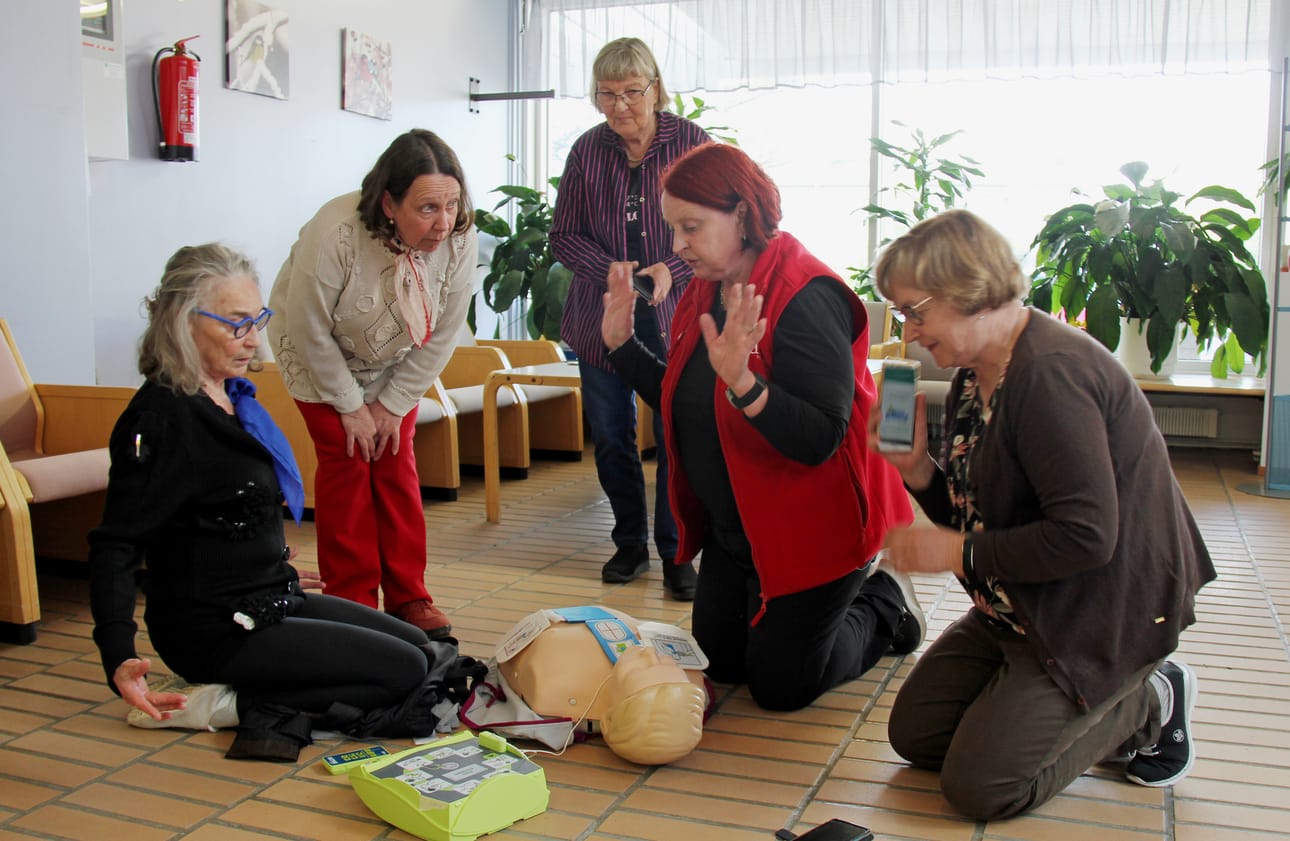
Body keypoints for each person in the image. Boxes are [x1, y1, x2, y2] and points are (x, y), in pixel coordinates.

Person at [869, 209, 1216, 820]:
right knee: (918, 736)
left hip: (1091, 611)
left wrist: (955, 552)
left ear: (970, 291)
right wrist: (919, 470)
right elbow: (979, 512)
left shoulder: (1050, 376)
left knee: (981, 790)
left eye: (915, 311)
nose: (910, 331)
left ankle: (1149, 700)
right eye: (901, 314)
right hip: (1019, 605)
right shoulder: (975, 373)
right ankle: (1040, 699)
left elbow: (1086, 537)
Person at [601, 143, 925, 712]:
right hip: (740, 530)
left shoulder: (808, 295)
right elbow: (685, 402)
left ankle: (886, 598)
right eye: (673, 228)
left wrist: (746, 385)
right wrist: (622, 347)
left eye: (691, 227)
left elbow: (820, 438)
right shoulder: (705, 288)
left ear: (743, 216)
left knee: (781, 687)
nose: (676, 246)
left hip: (816, 530)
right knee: (721, 665)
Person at [89, 243, 454, 746]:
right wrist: (118, 654)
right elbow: (115, 544)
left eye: (257, 320)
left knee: (419, 646)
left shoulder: (229, 398)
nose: (252, 340)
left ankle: (263, 683)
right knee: (404, 672)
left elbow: (219, 507)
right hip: (212, 628)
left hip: (266, 596)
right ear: (182, 322)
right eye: (236, 324)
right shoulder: (161, 421)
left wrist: (268, 560)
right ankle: (228, 704)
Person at [267, 129, 478, 637]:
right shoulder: (335, 231)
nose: (443, 223)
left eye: (451, 205)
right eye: (427, 208)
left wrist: (392, 405)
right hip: (318, 355)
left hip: (393, 359)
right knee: (347, 459)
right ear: (388, 203)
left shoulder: (458, 235)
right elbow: (308, 325)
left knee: (395, 462)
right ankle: (353, 603)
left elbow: (444, 331)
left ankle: (410, 596)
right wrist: (349, 405)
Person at [550, 37, 710, 600]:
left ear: (656, 89)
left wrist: (670, 267)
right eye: (607, 94)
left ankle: (677, 551)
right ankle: (628, 544)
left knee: (675, 435)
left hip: (673, 313)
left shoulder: (691, 143)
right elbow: (563, 234)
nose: (619, 106)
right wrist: (612, 272)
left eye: (632, 92)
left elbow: (718, 224)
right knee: (611, 435)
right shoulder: (586, 150)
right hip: (600, 315)